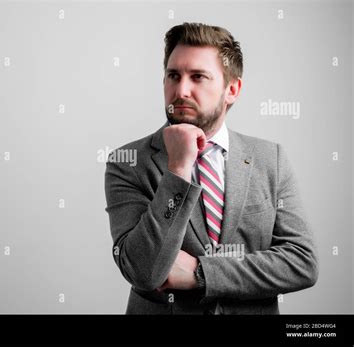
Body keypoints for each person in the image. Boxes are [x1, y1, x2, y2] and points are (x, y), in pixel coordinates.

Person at [104, 22, 318, 314]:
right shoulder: (128, 161)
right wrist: (178, 170)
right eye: (173, 76)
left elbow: (301, 262)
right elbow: (142, 271)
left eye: (198, 77)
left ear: (232, 89)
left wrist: (201, 274)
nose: (181, 90)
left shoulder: (271, 159)